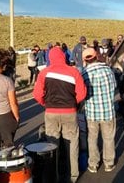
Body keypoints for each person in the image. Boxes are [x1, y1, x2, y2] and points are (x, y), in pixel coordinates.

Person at [33, 47, 87, 183]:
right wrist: (73, 103)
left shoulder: (44, 73)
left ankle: (54, 175)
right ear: (64, 57)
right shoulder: (74, 72)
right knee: (72, 144)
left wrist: (46, 104)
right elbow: (82, 94)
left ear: (50, 58)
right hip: (70, 112)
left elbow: (37, 95)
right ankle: (73, 176)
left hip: (51, 112)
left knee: (52, 145)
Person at [81, 48, 117, 173]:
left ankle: (93, 164)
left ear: (85, 60)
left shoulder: (84, 74)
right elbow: (114, 86)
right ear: (96, 56)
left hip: (92, 112)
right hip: (108, 111)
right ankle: (109, 163)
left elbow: (82, 93)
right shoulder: (108, 70)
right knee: (108, 138)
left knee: (92, 139)